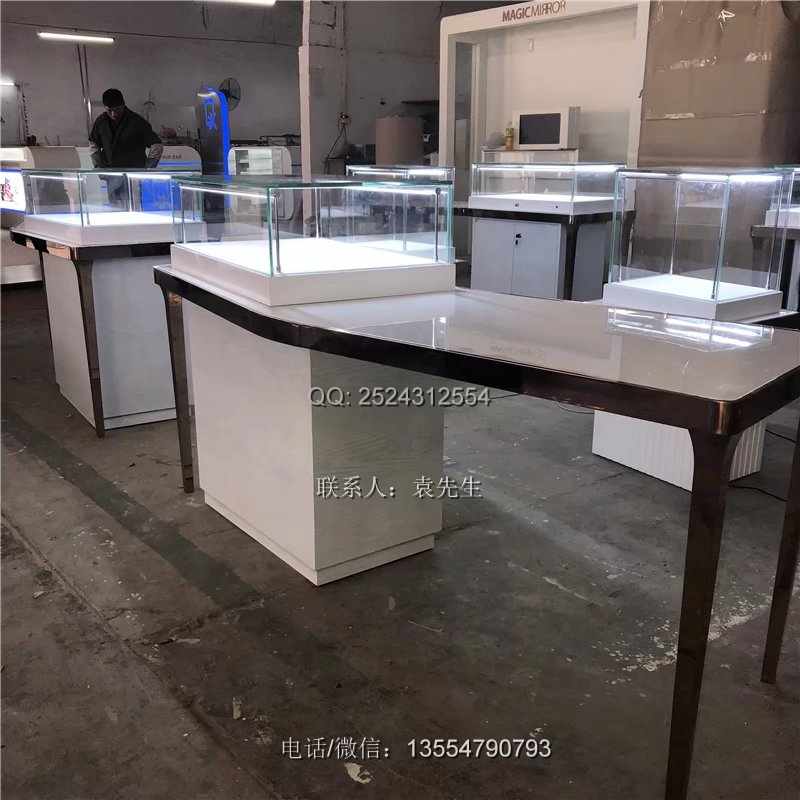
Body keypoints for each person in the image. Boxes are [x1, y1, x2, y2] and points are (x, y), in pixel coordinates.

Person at [89, 88, 163, 169]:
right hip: (110, 172)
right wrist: (98, 167)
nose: (113, 114)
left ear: (123, 105)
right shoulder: (101, 122)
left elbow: (157, 145)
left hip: (134, 171)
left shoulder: (137, 122)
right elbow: (93, 143)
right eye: (109, 110)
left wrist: (149, 168)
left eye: (117, 109)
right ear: (105, 107)